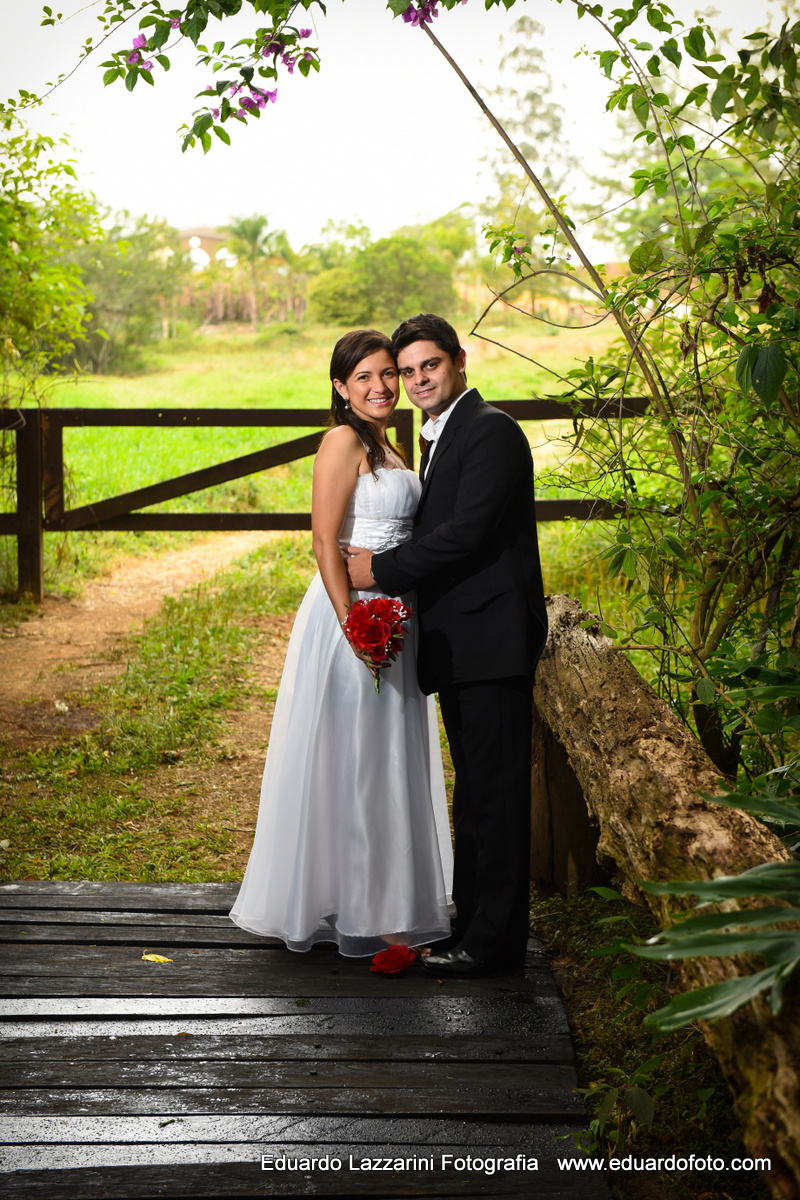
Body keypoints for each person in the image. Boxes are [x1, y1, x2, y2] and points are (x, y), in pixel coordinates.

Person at [229, 329, 453, 956]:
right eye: (364, 378)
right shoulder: (342, 441)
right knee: (359, 760)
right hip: (352, 616)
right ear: (340, 387)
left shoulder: (390, 443)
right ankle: (373, 912)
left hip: (398, 613)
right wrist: (352, 621)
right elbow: (325, 540)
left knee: (386, 757)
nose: (381, 387)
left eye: (388, 374)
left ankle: (384, 898)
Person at [346, 313, 548, 977]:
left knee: (496, 796)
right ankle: (471, 925)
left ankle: (494, 947)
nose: (416, 380)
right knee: (476, 794)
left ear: (459, 360)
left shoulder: (492, 431)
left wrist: (379, 570)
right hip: (463, 643)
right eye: (407, 371)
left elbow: (467, 533)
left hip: (493, 640)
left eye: (428, 365)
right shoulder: (441, 434)